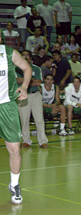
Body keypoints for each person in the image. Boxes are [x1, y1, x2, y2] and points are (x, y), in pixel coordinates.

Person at [0, 44, 32, 204]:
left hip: (7, 107)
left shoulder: (9, 53)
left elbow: (27, 68)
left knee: (14, 149)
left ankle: (14, 184)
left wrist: (24, 86)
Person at [16, 50, 49, 148]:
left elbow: (39, 82)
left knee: (39, 118)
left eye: (27, 55)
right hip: (22, 95)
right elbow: (18, 80)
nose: (25, 57)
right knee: (24, 119)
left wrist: (26, 80)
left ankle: (42, 141)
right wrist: (31, 80)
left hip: (35, 95)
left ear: (31, 58)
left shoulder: (36, 69)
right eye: (23, 55)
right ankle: (26, 141)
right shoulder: (16, 69)